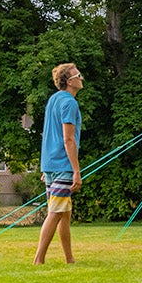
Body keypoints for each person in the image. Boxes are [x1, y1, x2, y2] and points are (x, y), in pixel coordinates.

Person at [34, 62, 84, 265]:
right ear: (69, 81)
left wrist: (46, 167)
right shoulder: (70, 103)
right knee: (55, 213)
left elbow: (48, 133)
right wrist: (76, 171)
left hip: (50, 166)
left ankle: (69, 259)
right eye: (78, 76)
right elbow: (68, 139)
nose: (81, 78)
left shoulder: (53, 100)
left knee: (64, 213)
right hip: (63, 165)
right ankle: (38, 260)